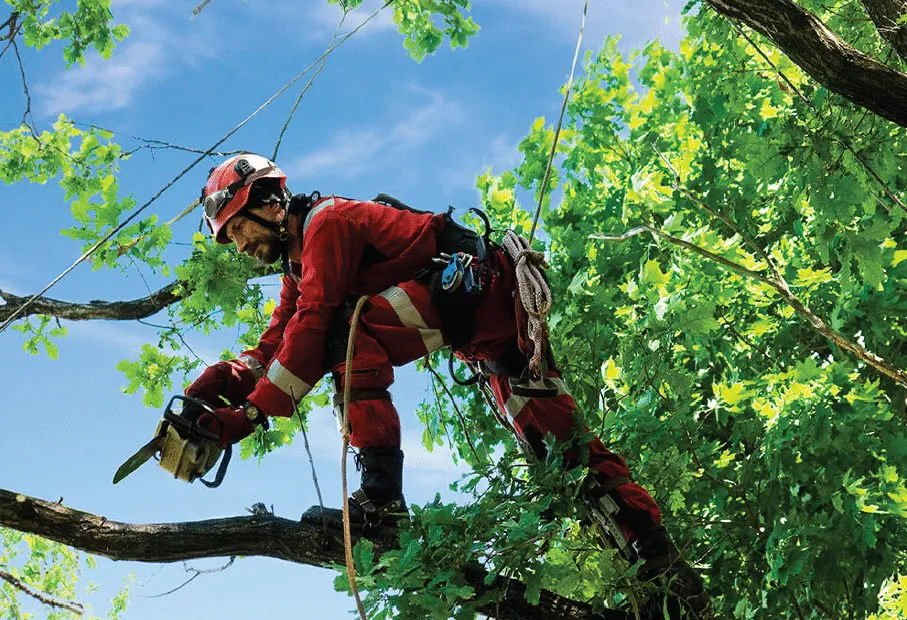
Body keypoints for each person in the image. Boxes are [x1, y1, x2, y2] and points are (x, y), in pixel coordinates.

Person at [187, 153, 712, 617]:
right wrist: (222, 382)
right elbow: (275, 343)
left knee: (348, 330)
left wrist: (246, 418)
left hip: (483, 294)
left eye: (237, 229)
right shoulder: (298, 268)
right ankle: (664, 574)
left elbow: (313, 326)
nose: (238, 245)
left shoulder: (327, 224)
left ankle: (381, 504)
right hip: (487, 330)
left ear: (271, 204)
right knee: (559, 450)